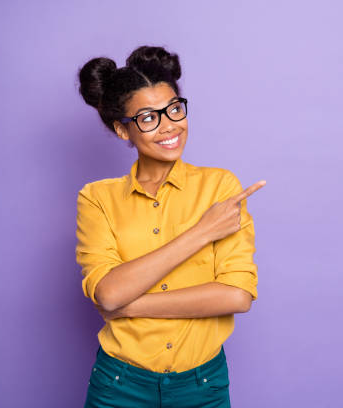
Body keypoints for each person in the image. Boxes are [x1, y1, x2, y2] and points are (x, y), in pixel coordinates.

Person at [75, 45, 266, 408]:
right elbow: (109, 294)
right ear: (122, 130)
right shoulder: (96, 198)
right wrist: (202, 232)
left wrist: (131, 306)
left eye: (174, 109)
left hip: (202, 385)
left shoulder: (220, 188)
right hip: (118, 385)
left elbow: (236, 295)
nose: (169, 126)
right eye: (148, 117)